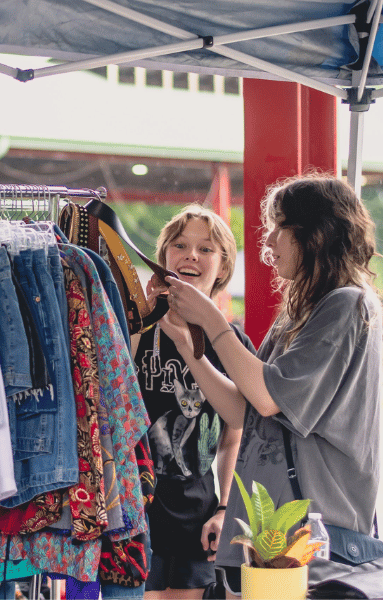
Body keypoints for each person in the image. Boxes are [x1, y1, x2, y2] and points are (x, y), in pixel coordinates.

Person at [159, 173, 383, 596]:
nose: (268, 242)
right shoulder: (297, 314)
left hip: (315, 532)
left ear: (314, 233)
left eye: (278, 226)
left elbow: (265, 397)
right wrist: (187, 344)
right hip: (274, 535)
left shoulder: (347, 304)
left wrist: (210, 319)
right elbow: (242, 412)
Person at [133, 205, 255, 599]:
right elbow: (112, 392)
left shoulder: (231, 344)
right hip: (135, 506)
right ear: (164, 255)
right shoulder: (134, 326)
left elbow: (233, 436)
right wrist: (143, 317)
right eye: (180, 245)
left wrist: (225, 508)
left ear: (222, 268)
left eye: (206, 249)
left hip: (197, 513)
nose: (191, 255)